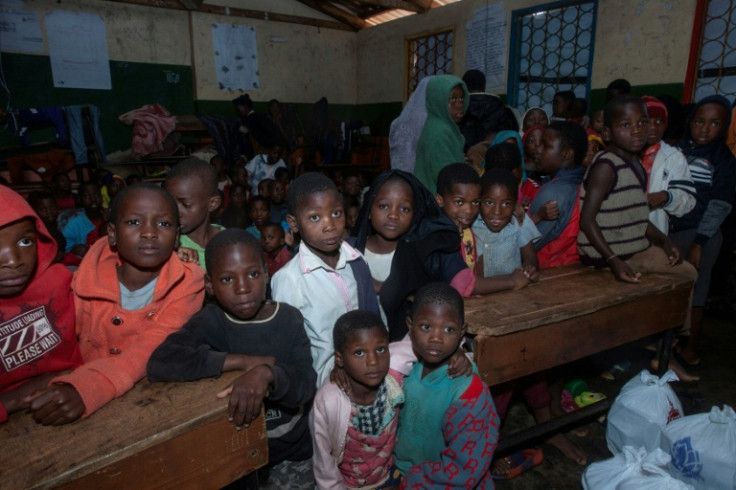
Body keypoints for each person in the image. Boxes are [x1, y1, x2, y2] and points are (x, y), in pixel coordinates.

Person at [26, 184, 204, 424]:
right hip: (79, 401)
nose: (149, 232)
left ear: (176, 237)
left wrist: (90, 387)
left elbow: (153, 345)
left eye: (163, 224)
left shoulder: (188, 282)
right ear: (112, 233)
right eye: (133, 222)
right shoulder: (82, 281)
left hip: (152, 403)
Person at [147, 229, 315, 485]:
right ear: (210, 285)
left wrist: (267, 374)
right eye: (227, 279)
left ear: (267, 274)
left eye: (253, 274)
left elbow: (305, 386)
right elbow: (161, 362)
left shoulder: (288, 319)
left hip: (288, 453)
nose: (243, 288)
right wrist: (241, 362)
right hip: (232, 454)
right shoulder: (210, 321)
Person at [352, 169, 523, 341]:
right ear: (368, 208)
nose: (393, 215)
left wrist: (513, 281)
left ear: (415, 214)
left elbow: (463, 282)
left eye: (405, 208)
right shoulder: (349, 253)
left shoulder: (429, 248)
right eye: (383, 206)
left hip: (415, 344)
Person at [271, 172, 380, 387]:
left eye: (336, 213)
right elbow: (288, 349)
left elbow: (374, 318)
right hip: (324, 379)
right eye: (315, 217)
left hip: (369, 363)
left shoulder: (356, 262)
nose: (329, 225)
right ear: (293, 223)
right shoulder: (289, 280)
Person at [394, 282, 499, 488]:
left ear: (461, 333)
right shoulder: (404, 367)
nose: (436, 338)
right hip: (400, 471)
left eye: (448, 329)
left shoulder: (468, 392)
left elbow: (465, 468)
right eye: (426, 327)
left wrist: (412, 482)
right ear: (410, 325)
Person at [0, 186, 83, 424]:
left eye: (25, 241)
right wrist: (12, 401)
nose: (14, 261)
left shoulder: (58, 280)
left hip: (75, 397)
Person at [670, 94, 736, 366]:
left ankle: (690, 349)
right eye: (699, 121)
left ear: (724, 126)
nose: (704, 129)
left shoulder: (724, 160)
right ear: (690, 121)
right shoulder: (678, 150)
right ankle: (665, 344)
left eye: (714, 123)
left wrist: (699, 242)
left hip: (701, 235)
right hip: (671, 232)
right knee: (669, 291)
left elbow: (720, 205)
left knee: (696, 294)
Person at [311, 311, 403, 489]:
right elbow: (324, 463)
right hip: (348, 485)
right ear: (340, 359)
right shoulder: (329, 402)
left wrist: (458, 354)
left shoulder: (393, 380)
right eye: (359, 353)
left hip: (389, 477)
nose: (373, 362)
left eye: (380, 349)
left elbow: (422, 344)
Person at [528, 121, 588, 268]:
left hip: (547, 269)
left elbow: (527, 245)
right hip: (570, 266)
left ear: (566, 153)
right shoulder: (584, 181)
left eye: (545, 145)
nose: (537, 149)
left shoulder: (553, 192)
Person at [473, 168, 540, 287]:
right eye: (489, 202)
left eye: (506, 204)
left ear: (515, 205)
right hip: (480, 293)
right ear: (479, 201)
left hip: (514, 291)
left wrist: (529, 269)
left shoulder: (519, 221)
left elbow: (530, 255)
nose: (497, 212)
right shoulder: (470, 222)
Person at [640, 96, 696, 235]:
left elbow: (687, 201)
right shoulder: (623, 153)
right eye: (646, 121)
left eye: (659, 121)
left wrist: (666, 197)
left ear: (666, 125)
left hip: (655, 235)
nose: (653, 127)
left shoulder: (673, 157)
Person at [164, 157, 223, 271]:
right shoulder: (170, 246)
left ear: (213, 204)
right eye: (171, 203)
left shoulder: (228, 241)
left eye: (186, 205)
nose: (175, 212)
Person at [414, 75, 468, 194]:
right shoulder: (439, 132)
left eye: (462, 99)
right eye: (452, 99)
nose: (459, 105)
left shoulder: (444, 126)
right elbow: (448, 177)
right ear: (438, 101)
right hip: (436, 201)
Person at [434, 163, 482, 273]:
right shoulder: (436, 236)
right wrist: (512, 281)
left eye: (475, 202)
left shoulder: (467, 229)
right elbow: (462, 282)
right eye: (459, 202)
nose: (469, 210)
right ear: (439, 200)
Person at [459, 69, 516, 152]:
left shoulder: (457, 108)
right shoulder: (501, 108)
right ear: (484, 87)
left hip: (464, 159)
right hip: (495, 159)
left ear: (463, 87)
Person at [61, 182, 106, 258]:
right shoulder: (74, 225)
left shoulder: (110, 217)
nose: (93, 199)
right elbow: (65, 250)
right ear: (79, 200)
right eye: (87, 196)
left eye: (96, 195)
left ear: (101, 197)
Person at [28, 190, 65, 263]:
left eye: (52, 208)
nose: (49, 212)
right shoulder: (34, 232)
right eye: (42, 209)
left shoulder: (61, 227)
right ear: (34, 211)